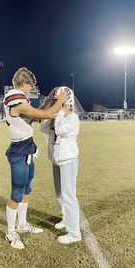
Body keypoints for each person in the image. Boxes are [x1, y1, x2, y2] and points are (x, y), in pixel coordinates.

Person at [3, 67, 68, 249]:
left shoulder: (19, 100)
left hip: (27, 149)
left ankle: (22, 224)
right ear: (24, 83)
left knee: (26, 189)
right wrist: (60, 100)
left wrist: (48, 99)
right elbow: (46, 115)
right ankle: (10, 232)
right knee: (17, 192)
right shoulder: (15, 99)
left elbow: (35, 113)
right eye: (30, 86)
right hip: (19, 151)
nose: (30, 89)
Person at [40, 86, 81, 244]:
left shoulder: (72, 118)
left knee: (69, 195)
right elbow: (43, 128)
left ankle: (75, 233)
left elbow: (60, 129)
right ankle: (66, 218)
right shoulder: (59, 116)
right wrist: (50, 114)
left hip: (68, 161)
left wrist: (60, 113)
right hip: (57, 160)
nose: (55, 104)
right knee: (59, 194)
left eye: (58, 101)